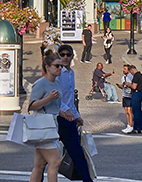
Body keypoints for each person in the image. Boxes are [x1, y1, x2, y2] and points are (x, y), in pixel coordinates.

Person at [52, 45, 96, 182]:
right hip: (56, 119)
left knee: (77, 153)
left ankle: (87, 180)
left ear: (72, 57)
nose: (65, 57)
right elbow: (56, 97)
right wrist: (67, 111)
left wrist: (76, 116)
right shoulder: (57, 74)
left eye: (68, 55)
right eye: (62, 54)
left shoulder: (71, 73)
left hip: (69, 120)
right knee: (45, 158)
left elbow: (70, 98)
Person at [24, 55, 67, 182]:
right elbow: (31, 106)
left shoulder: (58, 83)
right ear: (47, 67)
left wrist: (67, 115)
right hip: (43, 126)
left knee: (40, 165)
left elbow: (54, 106)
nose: (60, 68)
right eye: (57, 66)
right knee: (55, 162)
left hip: (52, 125)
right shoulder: (40, 84)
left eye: (61, 66)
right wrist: (48, 98)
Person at [120, 63, 142, 134]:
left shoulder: (136, 76)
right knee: (140, 111)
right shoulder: (141, 76)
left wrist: (128, 84)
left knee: (135, 111)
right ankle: (141, 128)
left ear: (132, 70)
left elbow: (134, 86)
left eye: (131, 72)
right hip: (140, 93)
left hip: (136, 94)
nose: (131, 73)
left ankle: (136, 128)